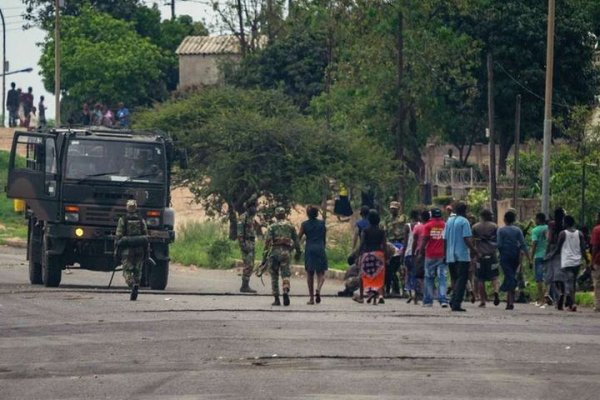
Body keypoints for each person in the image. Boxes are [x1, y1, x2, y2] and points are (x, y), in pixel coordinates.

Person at [444, 202, 478, 312]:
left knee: (454, 279)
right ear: (465, 211)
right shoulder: (464, 222)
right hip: (462, 255)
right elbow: (466, 239)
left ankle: (453, 299)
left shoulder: (449, 221)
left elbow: (444, 239)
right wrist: (474, 250)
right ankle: (456, 303)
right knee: (462, 279)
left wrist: (445, 253)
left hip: (450, 255)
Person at [264, 207, 301, 306]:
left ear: (276, 215)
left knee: (274, 276)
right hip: (286, 252)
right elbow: (297, 241)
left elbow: (267, 243)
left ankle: (276, 299)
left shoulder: (272, 227)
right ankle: (285, 290)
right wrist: (298, 252)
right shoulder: (290, 226)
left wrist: (264, 257)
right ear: (284, 215)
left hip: (274, 253)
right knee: (285, 274)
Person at [115, 200, 148, 301]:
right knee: (138, 269)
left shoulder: (123, 220)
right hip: (139, 249)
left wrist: (117, 246)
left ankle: (132, 284)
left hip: (127, 250)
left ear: (127, 208)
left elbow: (119, 235)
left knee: (127, 270)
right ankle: (137, 283)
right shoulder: (141, 220)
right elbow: (145, 233)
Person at [554, 215, 588, 312]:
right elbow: (583, 249)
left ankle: (572, 303)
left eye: (564, 222)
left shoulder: (563, 233)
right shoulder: (580, 233)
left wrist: (549, 257)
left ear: (566, 223)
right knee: (572, 282)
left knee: (568, 282)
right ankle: (570, 303)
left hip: (567, 261)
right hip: (577, 261)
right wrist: (587, 260)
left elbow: (557, 248)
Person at [497, 211, 529, 310]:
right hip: (515, 256)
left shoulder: (501, 231)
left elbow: (499, 245)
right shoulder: (518, 230)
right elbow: (523, 244)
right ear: (514, 220)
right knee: (510, 276)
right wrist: (529, 258)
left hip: (505, 256)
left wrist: (499, 254)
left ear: (504, 220)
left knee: (509, 276)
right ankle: (509, 302)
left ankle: (504, 292)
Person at [354, 209, 387, 305]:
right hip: (379, 254)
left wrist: (358, 255)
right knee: (378, 276)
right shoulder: (382, 231)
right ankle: (376, 294)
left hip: (367, 254)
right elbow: (384, 245)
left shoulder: (365, 231)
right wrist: (386, 256)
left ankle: (362, 296)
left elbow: (362, 243)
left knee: (364, 275)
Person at [299, 206, 328, 305]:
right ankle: (318, 289)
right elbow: (324, 238)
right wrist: (323, 247)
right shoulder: (322, 224)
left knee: (310, 274)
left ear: (308, 214)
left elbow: (298, 237)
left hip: (310, 249)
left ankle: (311, 298)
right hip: (320, 248)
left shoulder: (304, 224)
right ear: (317, 214)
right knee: (321, 273)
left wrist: (297, 249)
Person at [419, 208, 448, 307]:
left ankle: (428, 301)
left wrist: (420, 252)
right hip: (442, 255)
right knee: (442, 278)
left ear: (431, 215)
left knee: (429, 277)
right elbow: (446, 240)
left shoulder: (427, 225)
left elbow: (425, 240)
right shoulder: (445, 225)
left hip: (430, 255)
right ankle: (443, 299)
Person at [472, 209, 500, 307]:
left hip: (480, 256)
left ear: (481, 216)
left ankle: (483, 301)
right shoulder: (494, 226)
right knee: (495, 276)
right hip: (492, 255)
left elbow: (472, 241)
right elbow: (498, 239)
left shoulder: (475, 227)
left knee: (480, 279)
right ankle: (496, 291)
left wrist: (474, 254)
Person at [544, 207, 566, 308]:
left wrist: (547, 253)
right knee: (563, 275)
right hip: (565, 250)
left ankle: (559, 295)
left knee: (555, 275)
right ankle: (564, 294)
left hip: (554, 249)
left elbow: (549, 239)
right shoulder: (565, 225)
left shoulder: (551, 224)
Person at [237, 199, 259, 293]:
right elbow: (240, 233)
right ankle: (244, 286)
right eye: (253, 206)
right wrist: (243, 245)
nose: (255, 208)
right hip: (246, 243)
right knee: (248, 265)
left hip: (251, 243)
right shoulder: (243, 217)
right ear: (249, 207)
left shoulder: (251, 218)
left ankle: (246, 285)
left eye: (255, 206)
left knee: (251, 265)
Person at [383, 201, 405, 297]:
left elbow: (402, 226)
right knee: (389, 268)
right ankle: (392, 289)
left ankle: (403, 290)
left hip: (400, 244)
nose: (393, 210)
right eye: (391, 208)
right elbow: (384, 230)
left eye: (395, 208)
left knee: (401, 268)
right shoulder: (387, 219)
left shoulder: (402, 218)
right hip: (390, 245)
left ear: (398, 209)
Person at [530, 213, 549, 306]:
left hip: (538, 256)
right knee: (547, 278)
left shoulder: (535, 230)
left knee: (539, 279)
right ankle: (547, 294)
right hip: (548, 256)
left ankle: (542, 301)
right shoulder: (548, 228)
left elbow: (534, 244)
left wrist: (530, 258)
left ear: (538, 219)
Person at [403, 210, 420, 304]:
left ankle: (410, 293)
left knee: (408, 273)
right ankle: (415, 294)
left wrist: (402, 254)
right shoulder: (421, 226)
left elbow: (405, 242)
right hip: (418, 254)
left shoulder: (407, 226)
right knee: (415, 274)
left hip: (408, 253)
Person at [590, 212, 600, 312]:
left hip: (598, 260)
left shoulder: (597, 230)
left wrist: (592, 261)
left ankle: (598, 305)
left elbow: (595, 247)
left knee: (597, 283)